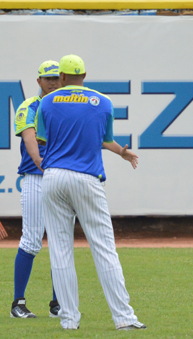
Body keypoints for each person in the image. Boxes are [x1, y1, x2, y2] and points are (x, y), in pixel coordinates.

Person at [35, 54, 145, 330]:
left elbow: (42, 140)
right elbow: (104, 139)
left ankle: (69, 320)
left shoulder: (46, 102)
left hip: (53, 177)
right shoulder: (103, 102)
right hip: (86, 177)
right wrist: (122, 151)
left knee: (60, 251)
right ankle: (124, 318)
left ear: (61, 77)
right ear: (84, 76)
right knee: (104, 248)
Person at [11, 60, 61, 319]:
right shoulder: (30, 105)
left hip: (61, 178)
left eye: (56, 78)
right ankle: (18, 303)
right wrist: (43, 164)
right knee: (31, 240)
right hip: (35, 176)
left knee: (60, 242)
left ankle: (58, 303)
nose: (53, 82)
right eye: (48, 78)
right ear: (38, 81)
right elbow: (29, 137)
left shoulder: (67, 106)